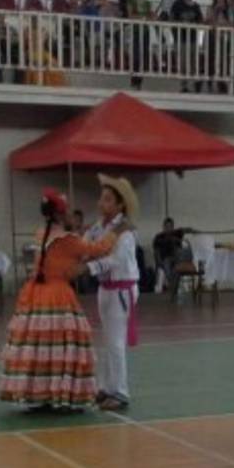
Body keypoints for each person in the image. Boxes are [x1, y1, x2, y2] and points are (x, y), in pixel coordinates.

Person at [0, 189, 127, 410]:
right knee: (61, 345)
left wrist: (85, 232)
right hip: (58, 294)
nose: (71, 215)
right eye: (67, 211)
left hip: (36, 293)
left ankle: (40, 394)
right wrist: (117, 230)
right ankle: (61, 392)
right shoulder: (67, 239)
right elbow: (98, 249)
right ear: (59, 215)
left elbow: (75, 248)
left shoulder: (43, 233)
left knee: (39, 346)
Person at [84, 174, 141, 411]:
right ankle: (108, 387)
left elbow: (115, 261)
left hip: (121, 288)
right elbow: (86, 243)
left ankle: (120, 391)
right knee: (108, 340)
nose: (102, 203)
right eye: (102, 198)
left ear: (120, 205)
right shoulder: (100, 226)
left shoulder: (125, 231)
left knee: (116, 342)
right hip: (106, 288)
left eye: (108, 200)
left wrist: (86, 267)